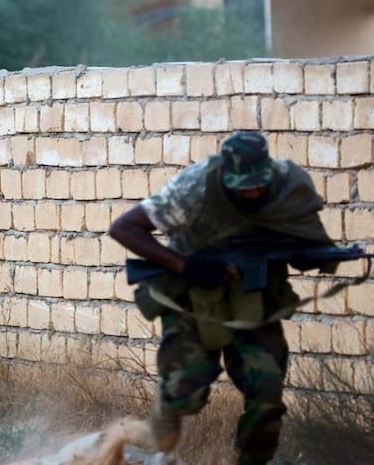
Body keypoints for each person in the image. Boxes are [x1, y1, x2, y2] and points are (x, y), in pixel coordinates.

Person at [108, 131, 336, 465]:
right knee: (185, 391)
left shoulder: (291, 187)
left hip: (256, 300)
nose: (251, 192)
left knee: (266, 394)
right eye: (241, 187)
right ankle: (160, 419)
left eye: (258, 184)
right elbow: (123, 228)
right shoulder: (196, 186)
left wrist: (312, 255)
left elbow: (311, 240)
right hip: (193, 297)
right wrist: (186, 266)